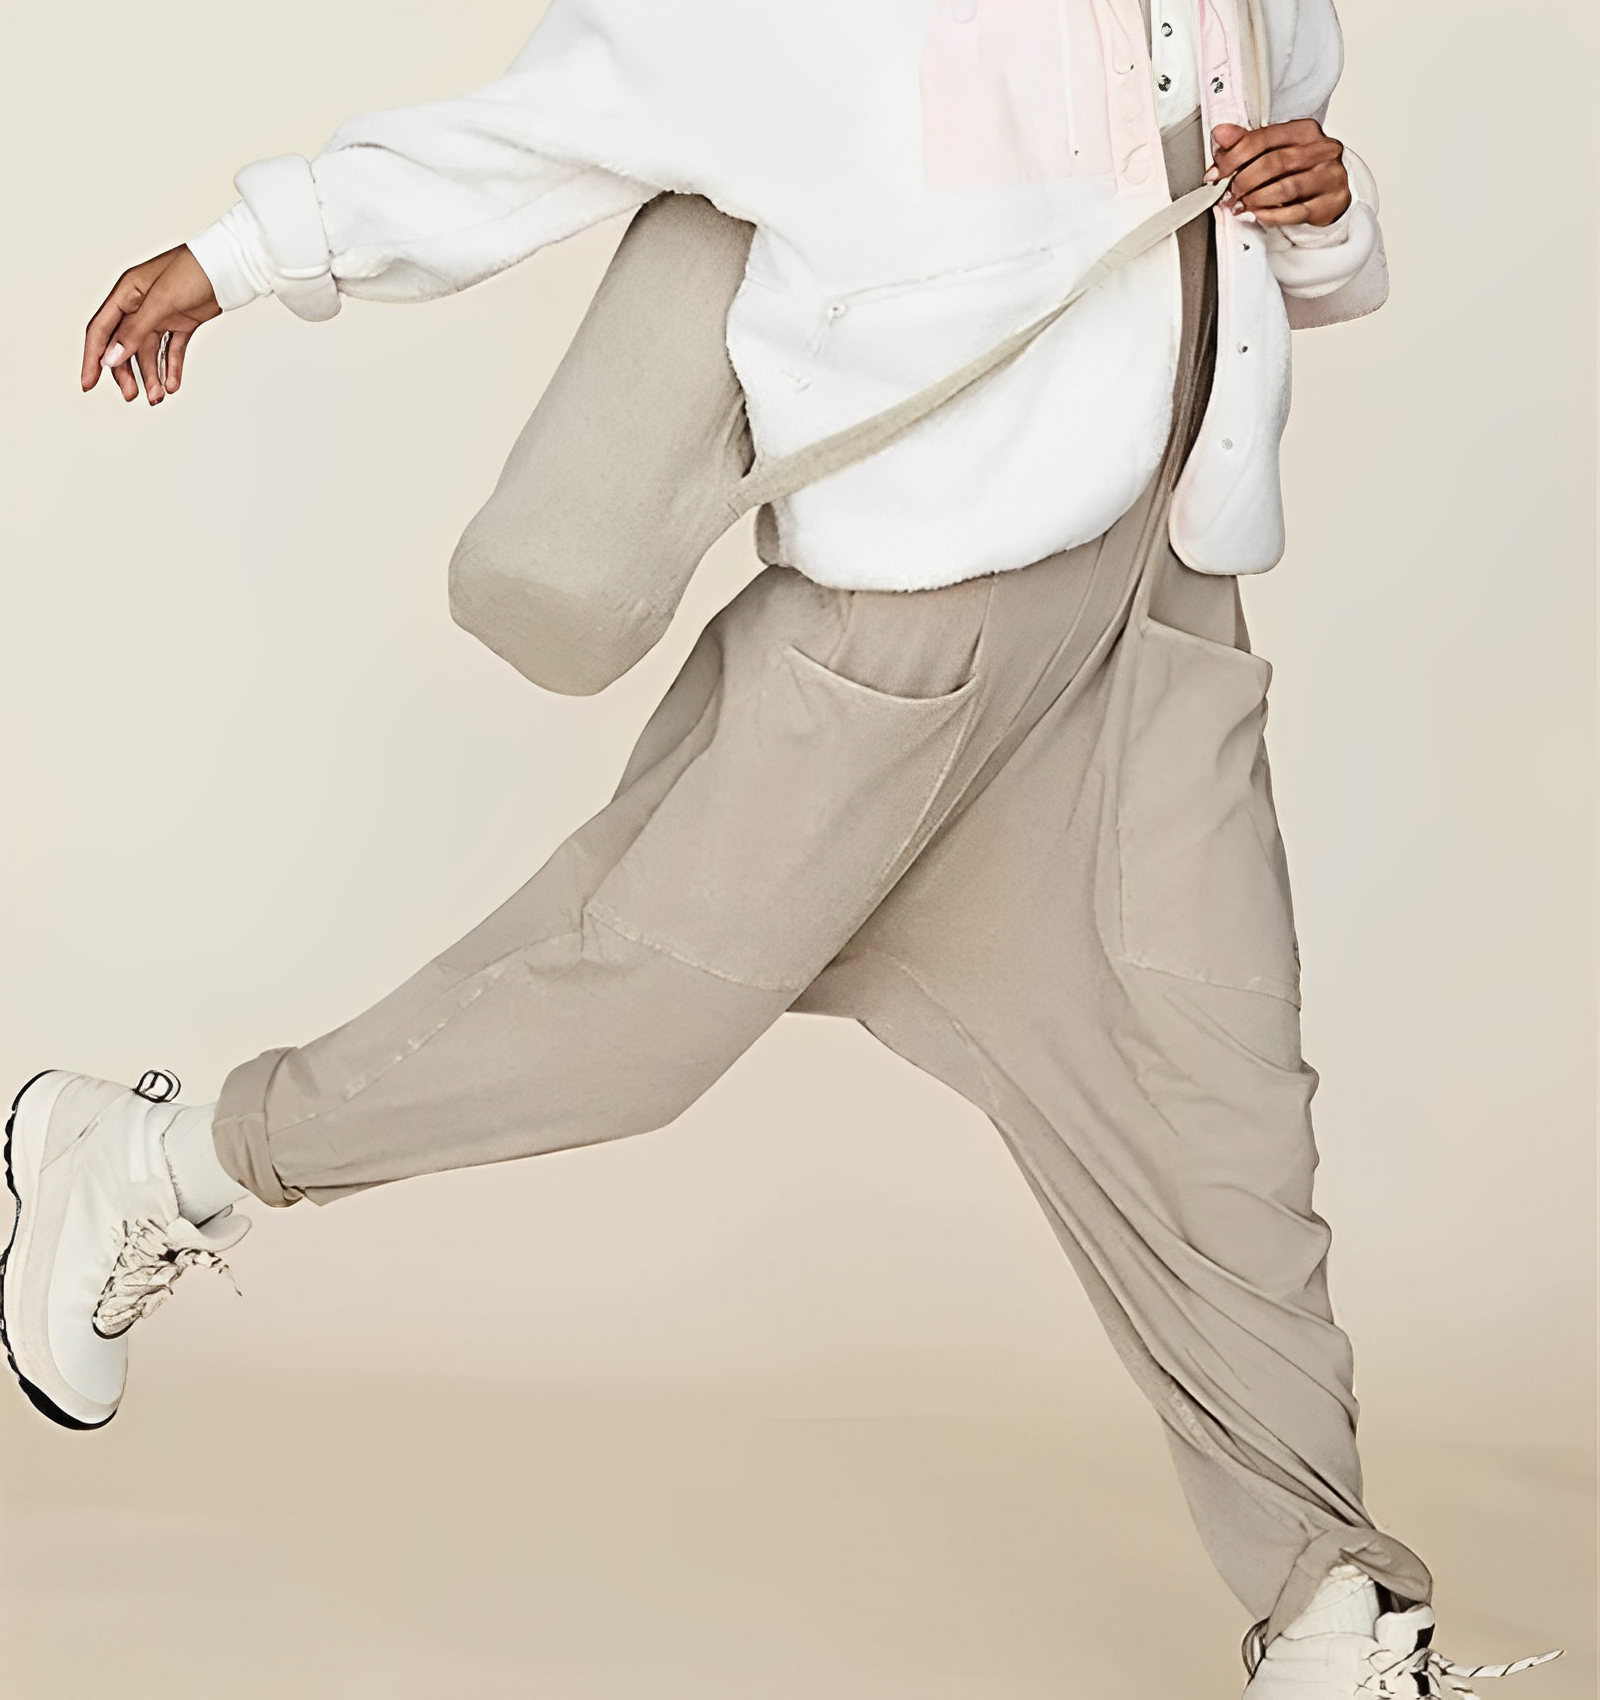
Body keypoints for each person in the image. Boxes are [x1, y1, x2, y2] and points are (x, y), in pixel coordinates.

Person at [0, 4, 1563, 1695]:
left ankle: (1332, 1605)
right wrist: (243, 254)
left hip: (1156, 622)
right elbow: (528, 141)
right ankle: (159, 1161)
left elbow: (1297, 245)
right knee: (615, 1026)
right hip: (898, 654)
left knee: (1231, 1106)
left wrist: (1327, 209)